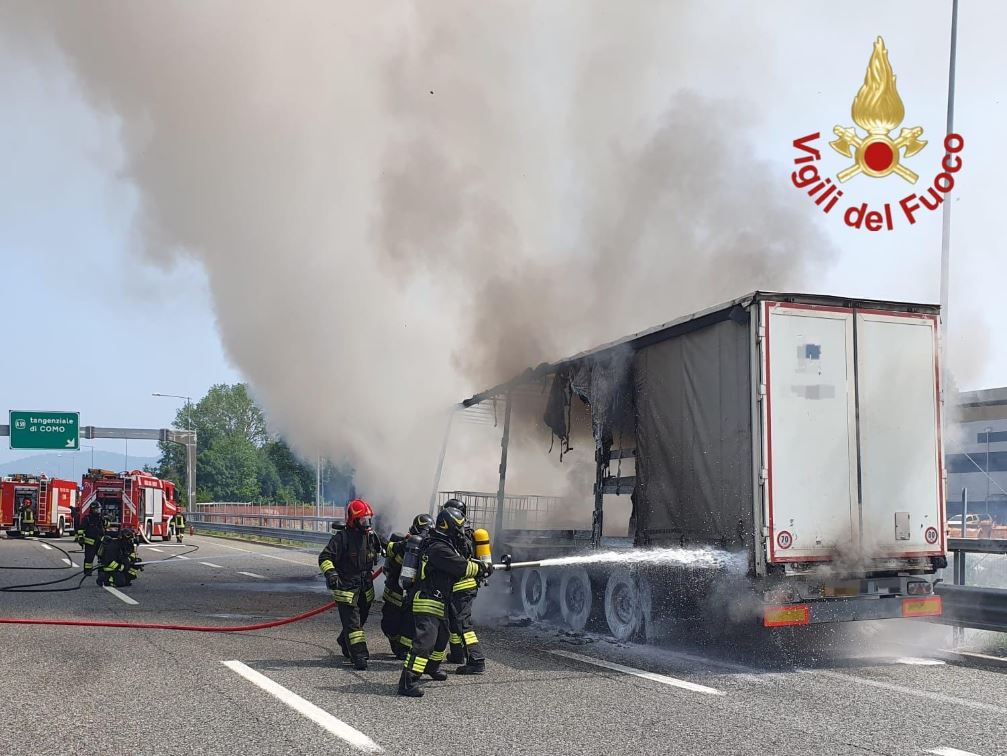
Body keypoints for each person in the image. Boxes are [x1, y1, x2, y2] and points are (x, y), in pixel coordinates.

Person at [398, 505, 492, 698]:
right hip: (428, 600)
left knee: (442, 638)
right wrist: (481, 569)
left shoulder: (443, 543)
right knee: (424, 642)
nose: (460, 532)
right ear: (447, 526)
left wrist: (481, 566)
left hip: (440, 599)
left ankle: (432, 667)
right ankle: (408, 681)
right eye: (458, 528)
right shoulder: (439, 548)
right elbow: (460, 566)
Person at [318, 499, 383, 670]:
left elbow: (387, 547)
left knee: (361, 619)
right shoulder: (342, 538)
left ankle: (344, 640)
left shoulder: (371, 536)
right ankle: (359, 655)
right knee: (353, 624)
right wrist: (331, 573)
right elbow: (325, 557)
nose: (366, 524)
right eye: (363, 520)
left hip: (365, 587)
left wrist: (405, 544)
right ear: (353, 521)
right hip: (346, 588)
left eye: (368, 520)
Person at [442, 498, 486, 674]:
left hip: (462, 585)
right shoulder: (469, 534)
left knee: (462, 623)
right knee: (454, 620)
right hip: (466, 585)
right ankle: (457, 654)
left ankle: (477, 660)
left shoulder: (456, 538)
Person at [382, 513, 433, 658]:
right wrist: (402, 547)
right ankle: (397, 643)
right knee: (389, 625)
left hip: (414, 594)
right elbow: (391, 563)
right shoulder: (404, 544)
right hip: (395, 593)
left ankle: (404, 649)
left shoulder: (433, 547)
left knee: (410, 623)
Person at [79, 507, 106, 576]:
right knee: (89, 558)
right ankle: (88, 571)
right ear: (92, 509)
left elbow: (106, 525)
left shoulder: (100, 518)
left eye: (99, 509)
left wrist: (106, 520)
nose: (98, 511)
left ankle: (101, 571)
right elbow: (81, 529)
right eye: (96, 509)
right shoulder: (87, 518)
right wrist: (81, 538)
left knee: (102, 557)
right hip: (90, 542)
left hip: (100, 542)